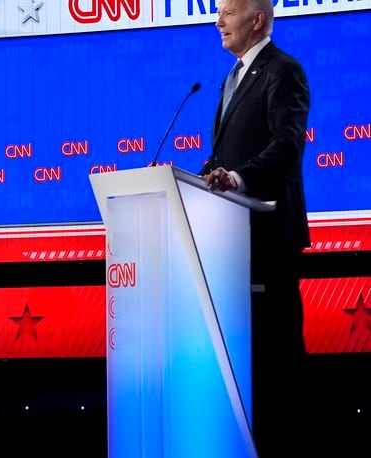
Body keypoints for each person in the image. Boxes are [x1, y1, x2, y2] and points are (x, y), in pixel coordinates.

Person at [200, 0, 310, 455]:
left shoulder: (284, 71)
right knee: (243, 372)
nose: (218, 19)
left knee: (276, 368)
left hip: (268, 240)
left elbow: (287, 146)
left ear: (258, 18)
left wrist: (239, 177)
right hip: (232, 246)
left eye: (228, 11)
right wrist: (213, 171)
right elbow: (232, 152)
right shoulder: (230, 78)